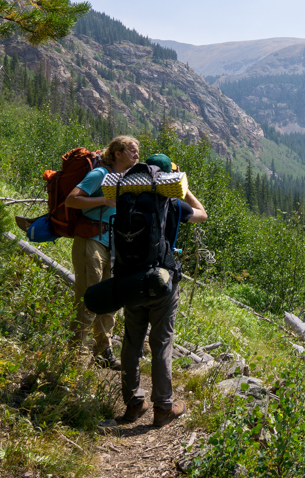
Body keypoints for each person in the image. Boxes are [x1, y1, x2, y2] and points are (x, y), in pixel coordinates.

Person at [117, 153, 207, 427]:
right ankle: (163, 407)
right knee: (161, 343)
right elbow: (203, 214)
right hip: (162, 282)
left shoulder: (126, 201)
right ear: (169, 177)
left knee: (131, 342)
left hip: (130, 279)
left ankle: (133, 404)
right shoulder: (174, 204)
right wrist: (184, 188)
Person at [63, 135, 140, 370]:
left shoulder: (126, 179)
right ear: (117, 153)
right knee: (89, 298)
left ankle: (103, 352)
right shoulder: (100, 174)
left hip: (112, 245)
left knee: (111, 300)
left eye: (137, 151)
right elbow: (71, 200)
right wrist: (105, 201)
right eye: (132, 151)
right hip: (91, 241)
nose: (137, 155)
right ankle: (74, 356)